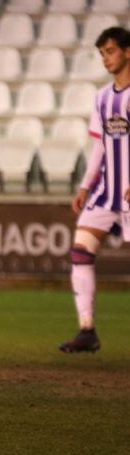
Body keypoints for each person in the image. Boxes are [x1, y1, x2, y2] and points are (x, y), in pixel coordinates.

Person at [63, 27, 130, 354]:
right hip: (107, 192)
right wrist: (85, 186)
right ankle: (87, 330)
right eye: (102, 53)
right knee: (81, 251)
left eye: (111, 51)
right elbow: (100, 147)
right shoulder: (102, 98)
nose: (106, 58)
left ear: (127, 52)